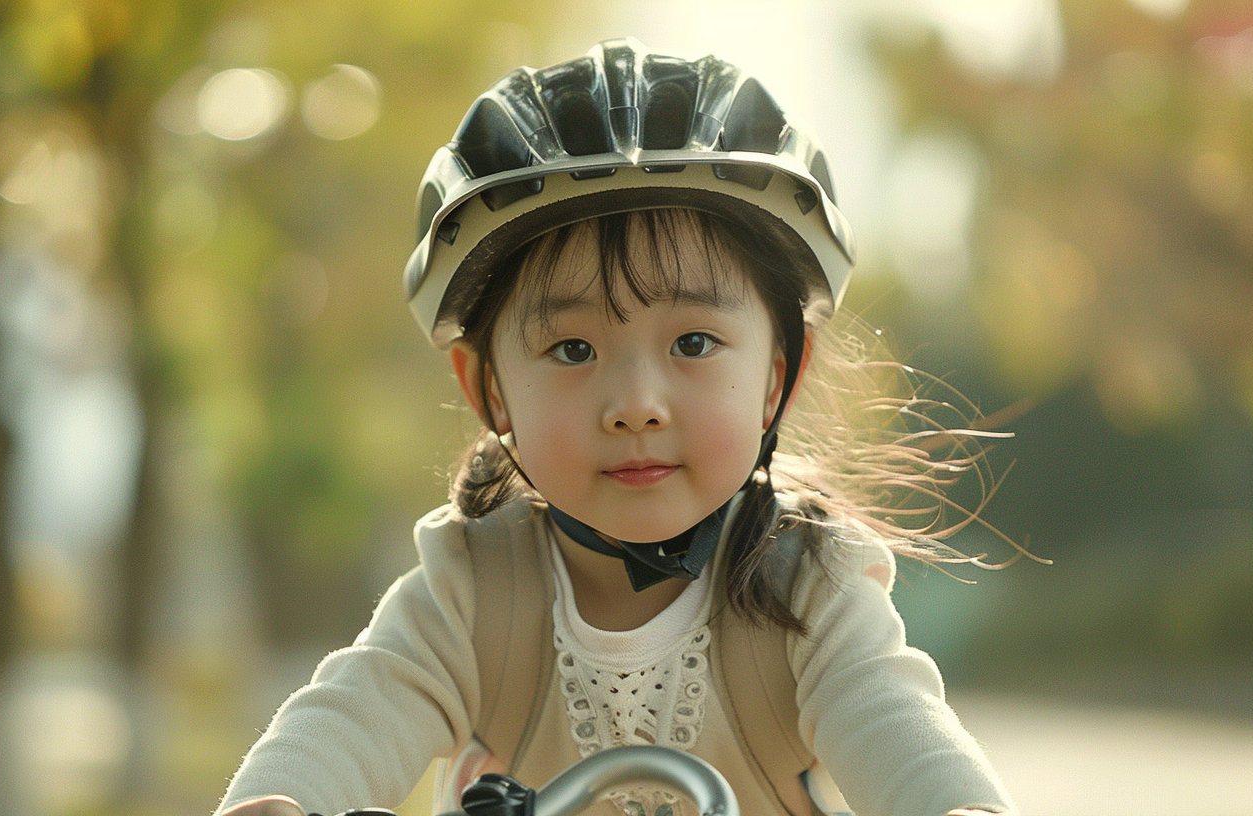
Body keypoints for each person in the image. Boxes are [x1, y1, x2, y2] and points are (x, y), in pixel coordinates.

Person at [217, 38, 1019, 816]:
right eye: (572, 348)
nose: (636, 403)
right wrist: (280, 797)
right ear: (488, 390)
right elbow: (358, 705)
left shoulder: (810, 586)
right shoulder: (472, 592)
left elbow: (891, 718)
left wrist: (956, 805)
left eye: (693, 343)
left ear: (778, 377)